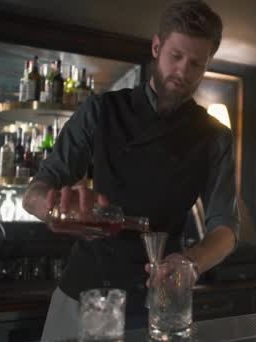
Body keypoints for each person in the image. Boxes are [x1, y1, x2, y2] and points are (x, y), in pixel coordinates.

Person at [22, 1, 239, 339]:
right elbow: (35, 191)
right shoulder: (101, 111)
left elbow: (225, 229)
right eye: (176, 56)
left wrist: (191, 263)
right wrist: (53, 213)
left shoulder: (214, 137)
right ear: (156, 47)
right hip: (84, 295)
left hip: (159, 298)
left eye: (197, 63)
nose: (183, 71)